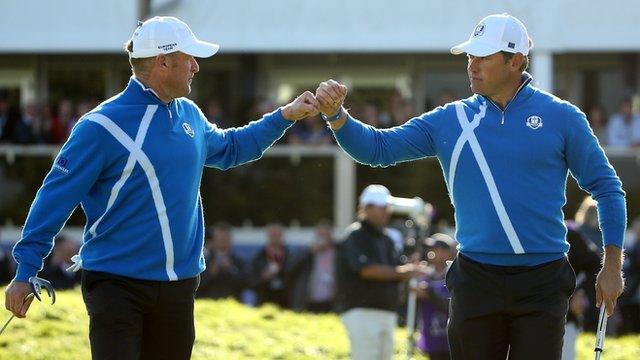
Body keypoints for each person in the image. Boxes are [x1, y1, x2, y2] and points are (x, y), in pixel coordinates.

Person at [5, 16, 319, 360]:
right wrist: (25, 270)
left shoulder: (189, 114)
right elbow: (54, 198)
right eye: (189, 58)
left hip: (179, 288)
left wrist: (284, 116)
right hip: (116, 284)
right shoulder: (100, 125)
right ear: (162, 61)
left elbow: (231, 148)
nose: (196, 67)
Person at [316, 13, 626, 360]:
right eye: (470, 57)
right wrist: (337, 117)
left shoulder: (563, 117)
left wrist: (611, 265)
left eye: (483, 57)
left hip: (543, 280)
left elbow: (607, 188)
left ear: (516, 61)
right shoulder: (452, 118)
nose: (472, 66)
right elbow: (377, 149)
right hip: (476, 280)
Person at [335, 185, 427, 360]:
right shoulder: (355, 235)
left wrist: (409, 267)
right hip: (361, 311)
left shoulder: (388, 239)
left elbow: (398, 268)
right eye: (381, 207)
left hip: (386, 311)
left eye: (387, 207)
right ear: (366, 208)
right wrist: (404, 272)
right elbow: (367, 270)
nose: (386, 211)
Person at [415, 233, 457, 360]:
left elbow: (452, 307)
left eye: (436, 249)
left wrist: (429, 293)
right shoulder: (423, 275)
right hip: (432, 337)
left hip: (450, 338)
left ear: (447, 253)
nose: (431, 252)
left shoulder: (454, 275)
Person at [196, 223, 246, 300]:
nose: (222, 241)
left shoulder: (238, 261)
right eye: (219, 239)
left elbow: (245, 284)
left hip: (232, 303)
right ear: (213, 240)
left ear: (229, 240)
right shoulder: (203, 260)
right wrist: (210, 273)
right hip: (209, 303)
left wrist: (231, 270)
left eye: (224, 238)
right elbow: (195, 285)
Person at [248, 222, 293, 308]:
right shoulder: (258, 257)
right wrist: (263, 277)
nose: (275, 237)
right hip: (263, 303)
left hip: (286, 304)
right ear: (267, 236)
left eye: (277, 235)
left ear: (282, 236)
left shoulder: (290, 257)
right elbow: (250, 282)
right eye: (273, 235)